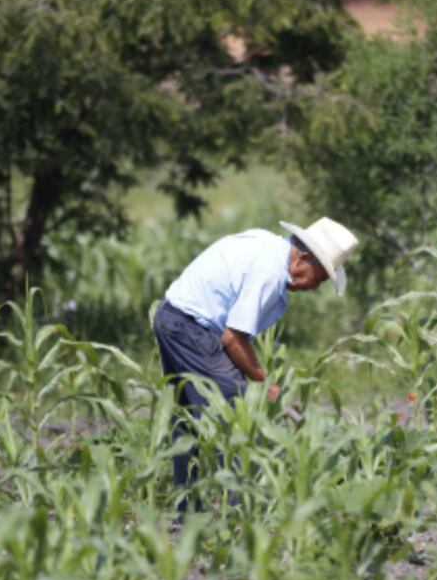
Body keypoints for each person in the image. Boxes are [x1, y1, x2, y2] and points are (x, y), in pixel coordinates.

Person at [152, 217, 359, 507]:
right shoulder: (271, 272)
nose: (314, 287)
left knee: (189, 417)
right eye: (319, 278)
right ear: (304, 258)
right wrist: (264, 381)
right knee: (235, 413)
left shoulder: (268, 245)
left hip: (171, 317)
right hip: (191, 328)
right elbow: (233, 338)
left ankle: (189, 507)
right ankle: (241, 509)